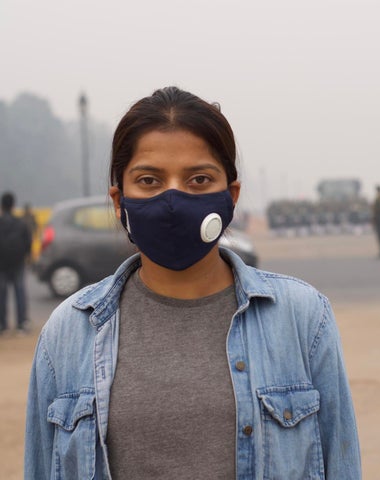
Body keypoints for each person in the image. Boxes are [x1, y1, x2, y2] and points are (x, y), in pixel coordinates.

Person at [25, 87, 361, 479]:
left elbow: (340, 463)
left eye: (199, 179)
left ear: (230, 196)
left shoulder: (303, 318)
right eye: (149, 180)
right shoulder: (67, 333)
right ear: (119, 201)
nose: (173, 200)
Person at [0, 192, 32, 334]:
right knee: (19, 291)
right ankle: (22, 324)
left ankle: (3, 325)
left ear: (2, 205)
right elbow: (28, 242)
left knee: (2, 293)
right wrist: (25, 256)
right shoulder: (21, 223)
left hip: (2, 263)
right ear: (13, 205)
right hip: (18, 262)